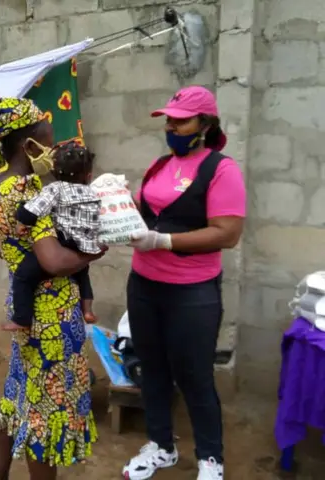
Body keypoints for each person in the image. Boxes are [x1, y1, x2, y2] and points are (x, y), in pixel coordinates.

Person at [0, 98, 105, 480]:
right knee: (44, 415)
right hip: (52, 319)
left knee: (18, 396)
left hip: (23, 306)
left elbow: (2, 247)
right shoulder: (29, 192)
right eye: (46, 138)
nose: (51, 146)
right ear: (26, 144)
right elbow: (54, 261)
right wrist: (93, 254)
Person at [122, 86, 246, 480]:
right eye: (169, 120)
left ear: (205, 124)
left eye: (181, 120)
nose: (172, 127)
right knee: (152, 368)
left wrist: (164, 241)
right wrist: (117, 206)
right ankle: (161, 447)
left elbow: (227, 233)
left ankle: (211, 459)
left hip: (192, 293)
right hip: (144, 286)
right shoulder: (160, 166)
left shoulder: (221, 169)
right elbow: (143, 216)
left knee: (194, 375)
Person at [11, 140, 101, 329]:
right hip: (86, 245)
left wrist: (21, 222)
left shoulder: (56, 188)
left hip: (64, 241)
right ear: (89, 175)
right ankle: (88, 310)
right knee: (82, 273)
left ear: (54, 172)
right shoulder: (93, 192)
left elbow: (32, 210)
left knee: (23, 275)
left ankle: (21, 319)